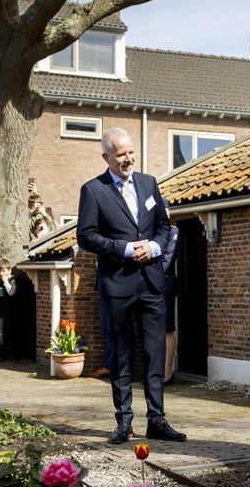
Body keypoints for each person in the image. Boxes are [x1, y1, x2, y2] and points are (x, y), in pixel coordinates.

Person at [77, 127, 185, 444]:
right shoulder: (93, 191)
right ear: (106, 157)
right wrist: (124, 249)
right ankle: (124, 422)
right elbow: (86, 236)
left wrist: (153, 247)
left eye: (130, 152)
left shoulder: (149, 183)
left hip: (152, 281)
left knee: (154, 353)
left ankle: (157, 419)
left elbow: (164, 226)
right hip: (117, 284)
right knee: (121, 355)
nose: (128, 159)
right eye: (121, 154)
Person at [162, 222, 180, 385]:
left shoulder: (173, 231)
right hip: (147, 288)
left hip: (164, 286)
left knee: (167, 329)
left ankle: (167, 371)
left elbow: (168, 259)